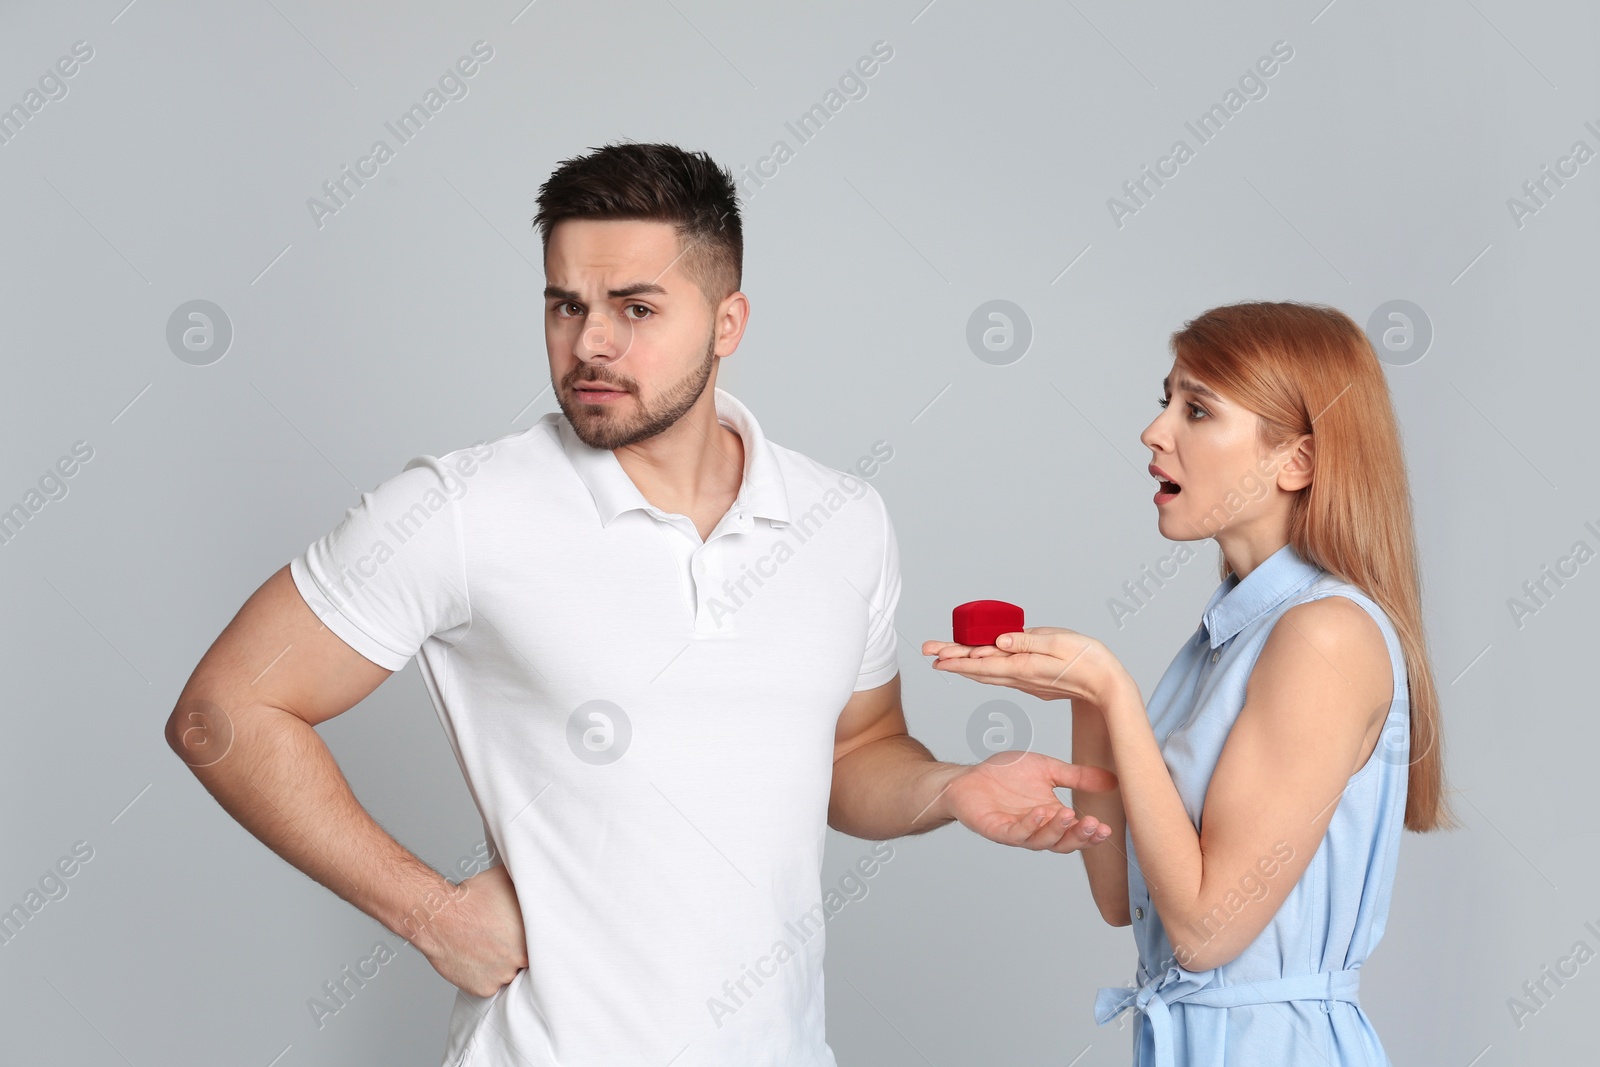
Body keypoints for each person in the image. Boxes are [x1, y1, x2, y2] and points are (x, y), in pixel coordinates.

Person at [164, 141, 1116, 1066]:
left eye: (636, 307)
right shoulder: (460, 510)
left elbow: (857, 753)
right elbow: (223, 712)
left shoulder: (843, 519)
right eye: (564, 305)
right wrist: (429, 912)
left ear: (728, 321)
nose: (590, 343)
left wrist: (950, 787)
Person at [923, 301, 1452, 1066]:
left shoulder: (1325, 635)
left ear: (1296, 461)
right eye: (1165, 399)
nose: (1154, 431)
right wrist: (1085, 695)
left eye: (1196, 408)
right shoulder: (1229, 638)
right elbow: (1122, 896)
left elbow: (1206, 931)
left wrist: (1111, 687)